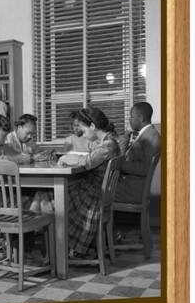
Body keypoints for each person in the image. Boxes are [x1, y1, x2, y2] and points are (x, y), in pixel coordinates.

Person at [57, 107, 120, 258]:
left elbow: (87, 162)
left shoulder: (108, 145)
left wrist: (64, 158)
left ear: (92, 126)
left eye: (83, 129)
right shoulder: (108, 141)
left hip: (94, 196)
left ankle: (57, 251)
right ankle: (62, 248)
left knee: (52, 198)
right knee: (50, 196)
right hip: (96, 192)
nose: (82, 134)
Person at [115, 102, 161, 203]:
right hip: (131, 185)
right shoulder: (144, 134)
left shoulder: (151, 136)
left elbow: (145, 168)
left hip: (134, 191)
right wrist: (127, 133)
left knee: (97, 189)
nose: (129, 120)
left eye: (131, 117)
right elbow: (121, 155)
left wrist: (120, 165)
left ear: (140, 118)